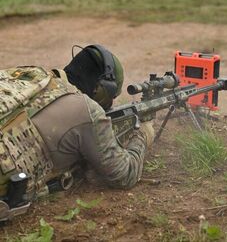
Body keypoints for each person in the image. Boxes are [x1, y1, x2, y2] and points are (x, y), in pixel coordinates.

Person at [0, 44, 154, 221]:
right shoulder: (87, 110)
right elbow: (125, 174)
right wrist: (143, 134)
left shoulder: (32, 75)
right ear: (103, 90)